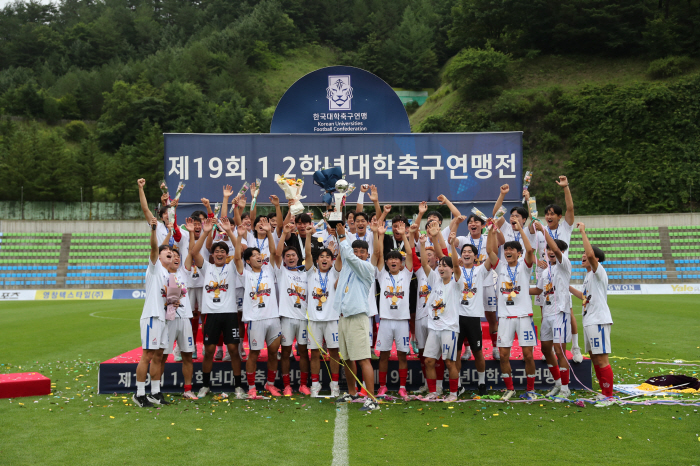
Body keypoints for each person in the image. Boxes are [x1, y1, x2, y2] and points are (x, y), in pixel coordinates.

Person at [189, 217, 246, 399]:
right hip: (211, 315)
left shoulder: (231, 267)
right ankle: (205, 385)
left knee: (233, 349)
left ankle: (238, 386)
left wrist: (230, 231)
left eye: (223, 251)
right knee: (210, 350)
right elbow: (194, 251)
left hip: (229, 314)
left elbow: (238, 255)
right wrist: (205, 232)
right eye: (216, 251)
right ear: (212, 255)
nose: (220, 254)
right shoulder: (206, 267)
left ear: (226, 254)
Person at [486, 219, 538, 401]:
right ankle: (510, 389)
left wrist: (522, 230)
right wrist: (492, 231)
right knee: (503, 355)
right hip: (505, 318)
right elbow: (489, 252)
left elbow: (531, 250)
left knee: (528, 355)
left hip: (524, 316)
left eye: (512, 250)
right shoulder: (500, 266)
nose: (508, 252)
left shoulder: (525, 266)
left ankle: (530, 389)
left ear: (519, 253)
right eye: (506, 249)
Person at [232, 221, 283, 398]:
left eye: (259, 254)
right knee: (254, 353)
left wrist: (270, 233)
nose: (258, 257)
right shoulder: (245, 274)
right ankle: (252, 387)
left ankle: (270, 385)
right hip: (255, 319)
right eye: (254, 255)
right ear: (248, 261)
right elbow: (237, 258)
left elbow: (274, 252)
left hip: (273, 318)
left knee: (273, 352)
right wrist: (238, 236)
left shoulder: (269, 270)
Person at [569, 222, 616, 407]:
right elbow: (584, 297)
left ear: (595, 259)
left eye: (587, 255)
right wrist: (568, 287)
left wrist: (582, 231)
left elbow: (589, 253)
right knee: (594, 356)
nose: (583, 256)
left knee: (601, 358)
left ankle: (608, 396)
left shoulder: (598, 272)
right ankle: (603, 392)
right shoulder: (588, 276)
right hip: (589, 321)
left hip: (599, 320)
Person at [133, 178, 171, 408]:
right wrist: (141, 188)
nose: (171, 257)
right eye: (168, 255)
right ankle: (139, 393)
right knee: (147, 354)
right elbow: (154, 248)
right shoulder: (155, 266)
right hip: (152, 317)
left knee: (158, 355)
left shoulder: (167, 273)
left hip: (163, 318)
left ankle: (155, 392)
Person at [333, 223, 379, 411]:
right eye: (356, 251)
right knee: (346, 358)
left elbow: (349, 257)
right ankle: (352, 393)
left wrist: (343, 237)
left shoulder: (367, 268)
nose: (359, 254)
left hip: (358, 317)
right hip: (343, 317)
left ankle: (372, 399)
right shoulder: (347, 268)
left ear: (367, 255)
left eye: (362, 251)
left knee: (362, 358)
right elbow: (345, 259)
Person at [417, 231, 462, 402]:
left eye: (445, 265)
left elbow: (457, 266)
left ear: (452, 269)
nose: (441, 268)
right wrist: (422, 243)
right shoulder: (435, 279)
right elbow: (424, 263)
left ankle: (452, 393)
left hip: (449, 328)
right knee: (429, 360)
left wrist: (451, 245)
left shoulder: (457, 282)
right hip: (434, 327)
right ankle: (433, 392)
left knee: (450, 362)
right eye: (440, 265)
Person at [531, 221, 572, 400]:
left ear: (561, 253)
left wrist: (543, 230)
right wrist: (518, 289)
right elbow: (538, 290)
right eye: (546, 249)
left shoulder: (564, 266)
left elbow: (556, 249)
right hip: (547, 314)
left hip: (560, 313)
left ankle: (565, 388)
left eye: (552, 250)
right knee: (546, 349)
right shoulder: (545, 271)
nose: (549, 252)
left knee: (559, 350)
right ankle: (557, 383)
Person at [374, 220, 413, 399]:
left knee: (403, 356)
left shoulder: (407, 273)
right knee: (384, 355)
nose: (393, 261)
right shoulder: (382, 275)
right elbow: (379, 255)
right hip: (386, 322)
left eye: (396, 259)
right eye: (391, 259)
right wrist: (381, 235)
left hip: (402, 322)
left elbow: (410, 253)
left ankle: (402, 387)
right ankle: (382, 386)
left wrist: (404, 234)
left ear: (401, 262)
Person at [304, 224, 343, 397]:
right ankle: (315, 384)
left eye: (328, 256)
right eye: (321, 257)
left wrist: (340, 238)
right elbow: (306, 254)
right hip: (314, 320)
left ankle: (334, 384)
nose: (325, 259)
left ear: (332, 259)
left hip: (332, 319)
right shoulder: (310, 273)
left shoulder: (335, 272)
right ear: (317, 260)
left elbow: (342, 255)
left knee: (334, 353)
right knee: (314, 353)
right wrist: (307, 236)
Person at [273, 221, 311, 396]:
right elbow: (277, 253)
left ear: (298, 257)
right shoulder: (282, 272)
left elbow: (309, 257)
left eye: (293, 255)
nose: (290, 258)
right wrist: (284, 234)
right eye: (287, 255)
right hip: (287, 318)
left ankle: (304, 384)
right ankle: (287, 385)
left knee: (303, 351)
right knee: (286, 351)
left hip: (303, 318)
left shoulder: (305, 274)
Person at [454, 231, 493, 397]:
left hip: (473, 318)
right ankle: (459, 384)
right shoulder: (457, 270)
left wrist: (491, 232)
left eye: (470, 251)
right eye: (464, 252)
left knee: (478, 352)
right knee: (455, 353)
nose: (466, 253)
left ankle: (482, 382)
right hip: (457, 318)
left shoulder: (480, 271)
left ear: (476, 256)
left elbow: (492, 255)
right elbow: (448, 256)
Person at [160, 245, 197, 400]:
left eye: (177, 256)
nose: (176, 258)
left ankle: (188, 390)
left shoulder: (183, 273)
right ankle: (156, 389)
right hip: (168, 320)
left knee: (187, 356)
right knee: (161, 356)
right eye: (172, 256)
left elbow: (191, 252)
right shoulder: (161, 274)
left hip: (184, 319)